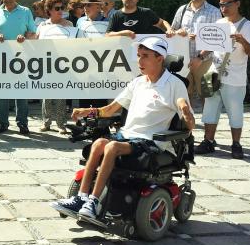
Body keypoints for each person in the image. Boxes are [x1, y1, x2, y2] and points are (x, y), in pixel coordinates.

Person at [51, 37, 195, 220]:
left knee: (111, 147)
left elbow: (189, 126)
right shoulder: (138, 82)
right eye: (138, 56)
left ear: (160, 58)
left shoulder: (175, 84)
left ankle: (93, 203)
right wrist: (87, 111)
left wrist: (186, 112)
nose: (140, 61)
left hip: (151, 142)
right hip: (127, 137)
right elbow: (110, 110)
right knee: (99, 143)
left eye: (145, 56)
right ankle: (81, 198)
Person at [195, 0, 250, 160]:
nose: (224, 7)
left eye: (227, 3)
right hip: (213, 72)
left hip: (235, 76)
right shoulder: (219, 23)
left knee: (235, 110)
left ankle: (236, 144)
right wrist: (200, 56)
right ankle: (208, 141)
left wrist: (242, 40)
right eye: (221, 4)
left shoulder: (248, 25)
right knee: (209, 107)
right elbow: (209, 44)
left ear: (237, 3)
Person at [0, 0, 37, 135]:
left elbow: (32, 33)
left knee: (21, 93)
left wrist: (25, 37)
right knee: (1, 94)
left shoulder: (25, 11)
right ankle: (2, 123)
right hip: (1, 60)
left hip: (21, 59)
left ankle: (22, 123)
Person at [168, 0, 222, 98]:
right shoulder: (182, 10)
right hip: (183, 62)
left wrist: (200, 58)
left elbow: (217, 39)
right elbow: (171, 33)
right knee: (185, 96)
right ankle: (188, 117)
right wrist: (178, 32)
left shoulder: (214, 12)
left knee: (207, 97)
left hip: (205, 61)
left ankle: (207, 118)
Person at [35, 0, 72, 134]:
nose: (60, 10)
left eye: (62, 8)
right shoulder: (43, 26)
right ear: (49, 10)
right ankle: (46, 122)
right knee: (47, 95)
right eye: (57, 8)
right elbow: (37, 43)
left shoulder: (69, 25)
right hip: (47, 64)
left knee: (61, 95)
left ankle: (61, 124)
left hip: (63, 65)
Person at [106, 0, 171, 38]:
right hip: (124, 52)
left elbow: (161, 22)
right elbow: (108, 35)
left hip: (144, 52)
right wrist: (123, 33)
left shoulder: (146, 12)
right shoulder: (116, 15)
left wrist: (169, 30)